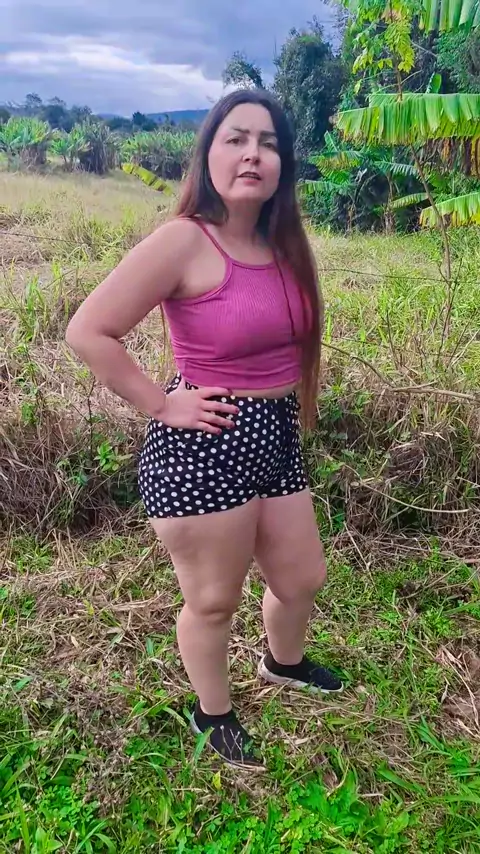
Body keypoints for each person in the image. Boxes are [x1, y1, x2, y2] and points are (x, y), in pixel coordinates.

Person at [66, 89, 343, 772]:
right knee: (214, 600)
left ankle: (283, 663)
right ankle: (212, 712)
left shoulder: (282, 244)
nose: (253, 154)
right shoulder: (184, 240)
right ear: (208, 154)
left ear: (283, 163)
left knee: (302, 577)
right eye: (236, 138)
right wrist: (163, 406)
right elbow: (89, 331)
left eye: (269, 143)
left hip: (275, 436)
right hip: (204, 444)